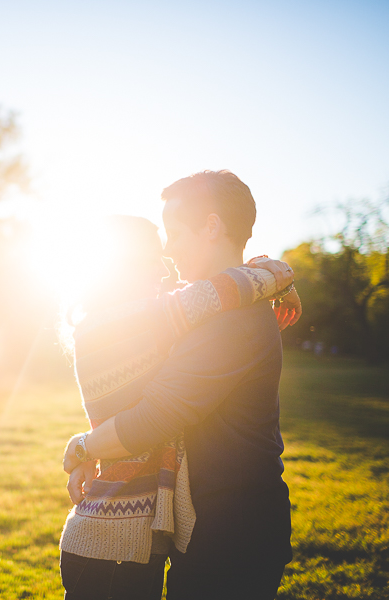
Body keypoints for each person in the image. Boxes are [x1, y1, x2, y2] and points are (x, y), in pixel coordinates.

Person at [62, 171, 299, 600]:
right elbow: (208, 294)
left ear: (211, 227)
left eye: (174, 233)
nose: (168, 252)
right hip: (213, 519)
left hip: (234, 524)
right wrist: (276, 273)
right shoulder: (207, 306)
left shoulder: (234, 318)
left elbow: (155, 417)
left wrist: (83, 447)